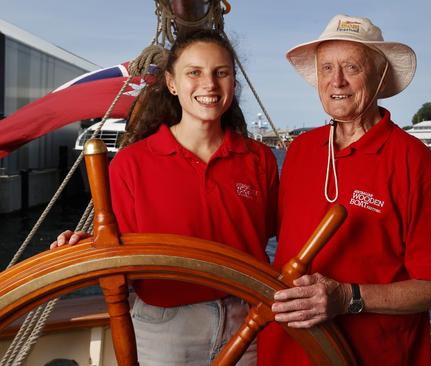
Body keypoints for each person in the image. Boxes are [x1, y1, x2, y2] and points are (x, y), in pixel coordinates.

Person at [51, 29, 278, 366]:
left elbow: (275, 233)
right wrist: (87, 245)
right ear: (172, 83)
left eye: (221, 72)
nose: (210, 85)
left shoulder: (259, 159)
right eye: (194, 72)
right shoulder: (132, 163)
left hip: (247, 320)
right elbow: (119, 245)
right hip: (165, 326)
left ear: (233, 82)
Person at [257, 15, 431, 365]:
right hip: (284, 351)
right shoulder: (300, 150)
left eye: (351, 67)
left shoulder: (411, 159)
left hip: (371, 355)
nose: (336, 80)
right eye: (326, 68)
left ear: (379, 75)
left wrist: (348, 297)